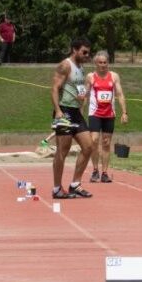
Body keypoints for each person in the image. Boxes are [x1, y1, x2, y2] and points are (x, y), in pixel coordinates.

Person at [50, 37, 95, 199]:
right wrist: (58, 111)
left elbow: (78, 88)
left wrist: (82, 97)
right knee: (63, 150)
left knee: (89, 146)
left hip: (76, 112)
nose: (86, 55)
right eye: (84, 52)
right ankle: (56, 188)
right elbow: (55, 88)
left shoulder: (81, 67)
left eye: (88, 53)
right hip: (64, 111)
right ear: (74, 50)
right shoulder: (65, 65)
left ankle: (75, 184)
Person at [86, 51, 128, 183]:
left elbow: (120, 94)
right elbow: (85, 95)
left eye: (105, 62)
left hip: (109, 114)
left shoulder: (114, 76)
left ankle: (104, 172)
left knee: (106, 143)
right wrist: (79, 112)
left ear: (108, 63)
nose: (103, 65)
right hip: (95, 113)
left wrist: (124, 112)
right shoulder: (90, 77)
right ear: (95, 63)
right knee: (94, 140)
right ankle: (94, 170)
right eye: (100, 63)